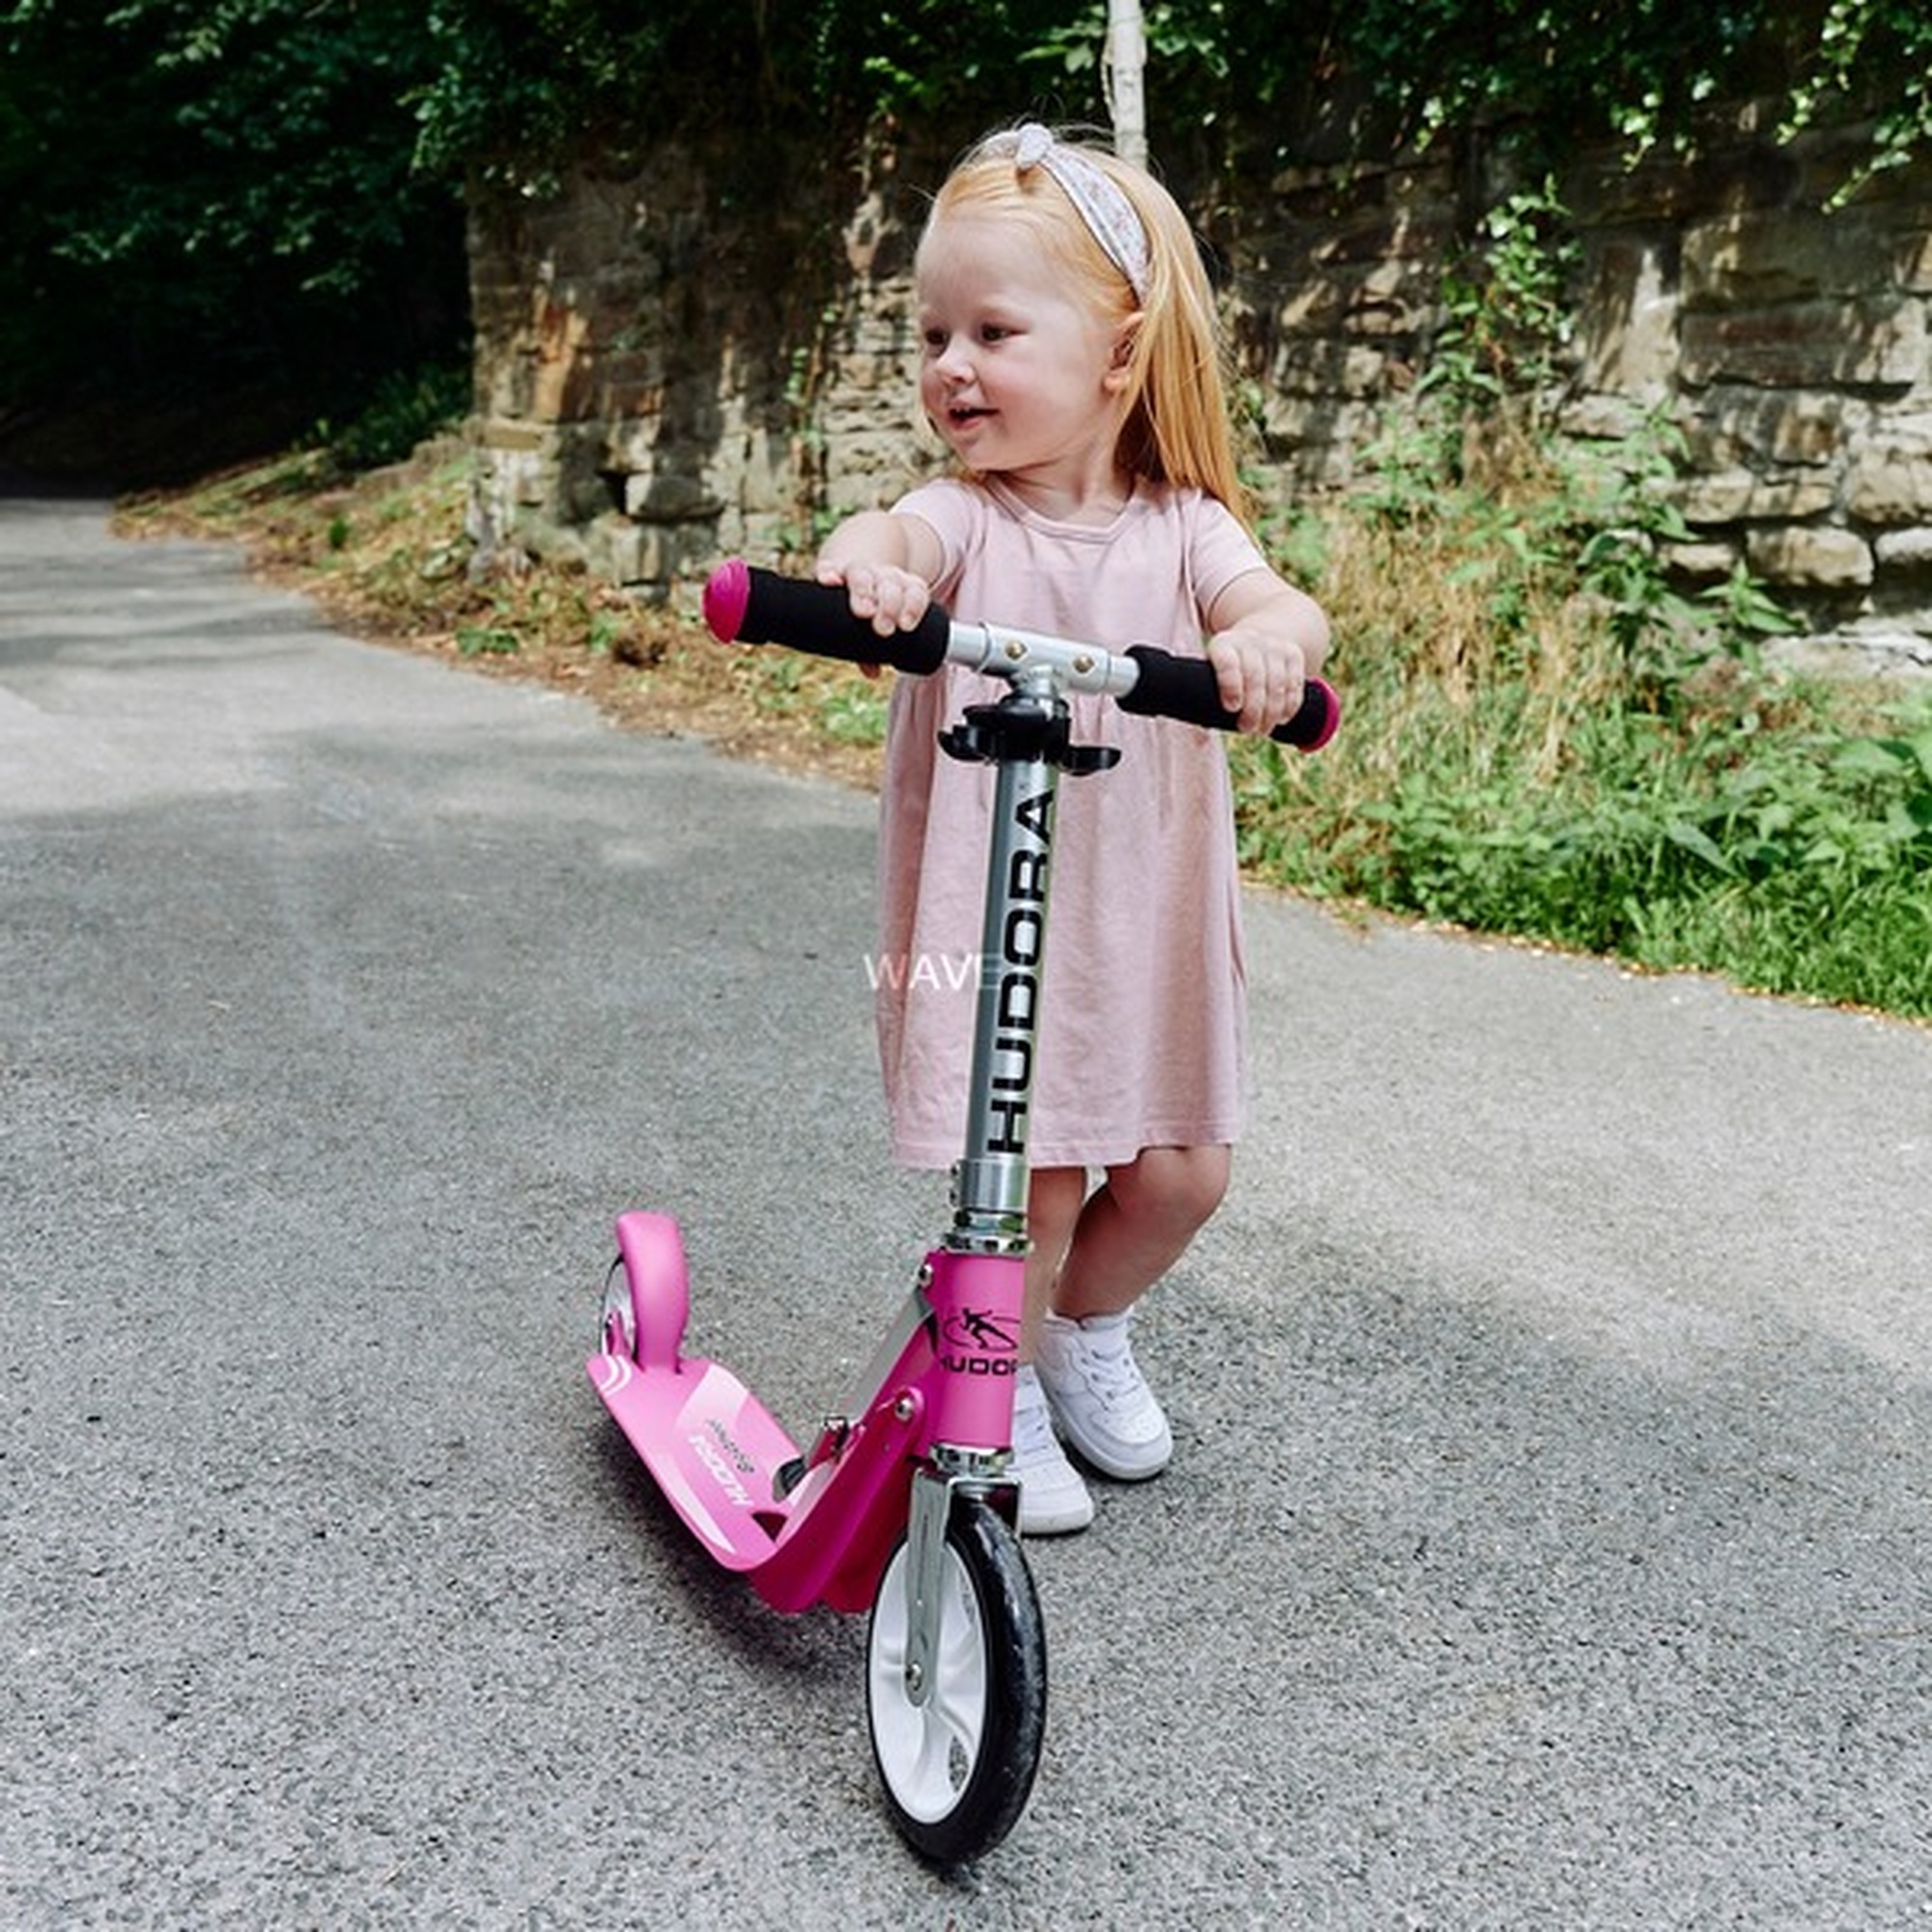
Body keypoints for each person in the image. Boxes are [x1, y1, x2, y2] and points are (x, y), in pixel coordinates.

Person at [814, 123, 1331, 1534]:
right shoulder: (963, 519)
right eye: (933, 335)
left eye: (992, 331)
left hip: (1144, 911)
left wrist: (1270, 648)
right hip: (1005, 915)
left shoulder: (1183, 526)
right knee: (1029, 1183)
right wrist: (866, 571)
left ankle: (1077, 1332)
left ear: (1119, 352)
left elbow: (1280, 607)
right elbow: (890, 538)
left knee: (1183, 1173)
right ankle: (998, 1389)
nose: (951, 365)